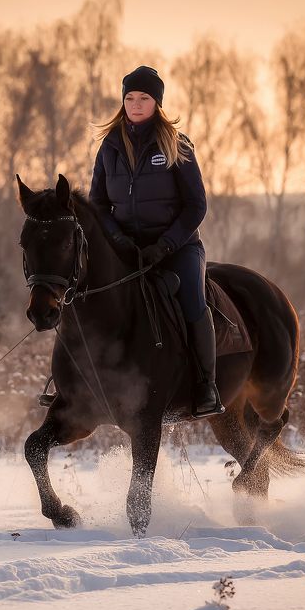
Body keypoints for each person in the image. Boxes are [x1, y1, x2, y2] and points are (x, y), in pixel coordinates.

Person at [88, 65, 224, 418]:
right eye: (130, 98)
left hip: (176, 247)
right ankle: (78, 382)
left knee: (193, 300)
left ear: (157, 103)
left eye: (143, 98)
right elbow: (98, 204)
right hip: (126, 248)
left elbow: (197, 205)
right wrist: (116, 239)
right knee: (89, 293)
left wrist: (165, 244)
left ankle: (205, 384)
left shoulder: (176, 145)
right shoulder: (109, 147)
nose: (135, 104)